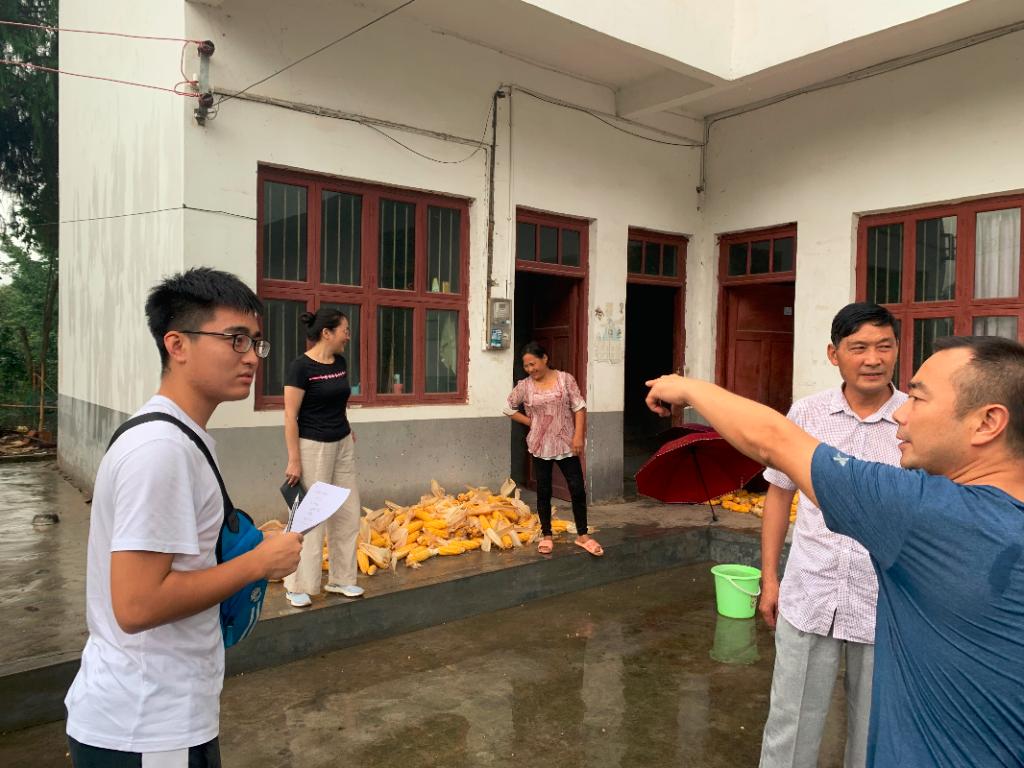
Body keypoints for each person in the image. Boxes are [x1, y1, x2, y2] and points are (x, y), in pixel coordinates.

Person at [645, 336, 1024, 767]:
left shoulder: (925, 514)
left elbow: (773, 440)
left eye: (918, 398)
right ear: (834, 354)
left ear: (988, 422)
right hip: (814, 600)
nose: (901, 412)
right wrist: (772, 577)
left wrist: (687, 387)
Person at [65, 267, 303, 767]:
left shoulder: (179, 437)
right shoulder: (161, 449)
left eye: (255, 342)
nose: (251, 356)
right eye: (235, 339)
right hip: (146, 726)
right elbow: (137, 604)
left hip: (164, 715)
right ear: (177, 345)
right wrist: (258, 563)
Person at [758, 303, 905, 768]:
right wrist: (770, 578)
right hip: (810, 591)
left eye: (884, 346)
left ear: (897, 350)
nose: (873, 359)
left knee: (875, 729)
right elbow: (778, 495)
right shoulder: (807, 413)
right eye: (858, 347)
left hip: (885, 601)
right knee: (790, 722)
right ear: (833, 353)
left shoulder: (915, 420)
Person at [282, 307, 363, 606]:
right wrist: (294, 459)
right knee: (310, 517)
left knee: (348, 513)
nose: (348, 336)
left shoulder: (339, 362)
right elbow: (290, 415)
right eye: (345, 330)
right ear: (327, 333)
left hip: (342, 443)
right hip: (313, 447)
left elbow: (338, 402)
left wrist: (347, 428)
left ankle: (342, 579)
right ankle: (297, 584)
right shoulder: (300, 368)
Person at [504, 342, 602, 556]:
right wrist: (532, 423)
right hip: (540, 445)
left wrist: (578, 436)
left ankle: (583, 535)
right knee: (544, 491)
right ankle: (546, 535)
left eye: (533, 364)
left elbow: (579, 407)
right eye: (526, 366)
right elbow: (508, 408)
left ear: (545, 358)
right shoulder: (524, 386)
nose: (530, 369)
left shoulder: (565, 379)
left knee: (577, 488)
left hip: (566, 443)